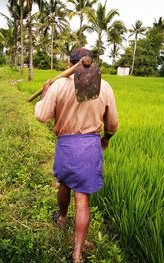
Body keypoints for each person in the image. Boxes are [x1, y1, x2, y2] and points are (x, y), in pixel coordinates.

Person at [34, 48, 118, 263]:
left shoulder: (59, 85)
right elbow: (113, 123)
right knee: (83, 200)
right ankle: (77, 254)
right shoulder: (104, 86)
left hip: (66, 145)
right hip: (90, 146)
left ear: (68, 63)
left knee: (64, 183)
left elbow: (42, 116)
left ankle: (62, 218)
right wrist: (106, 137)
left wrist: (45, 93)